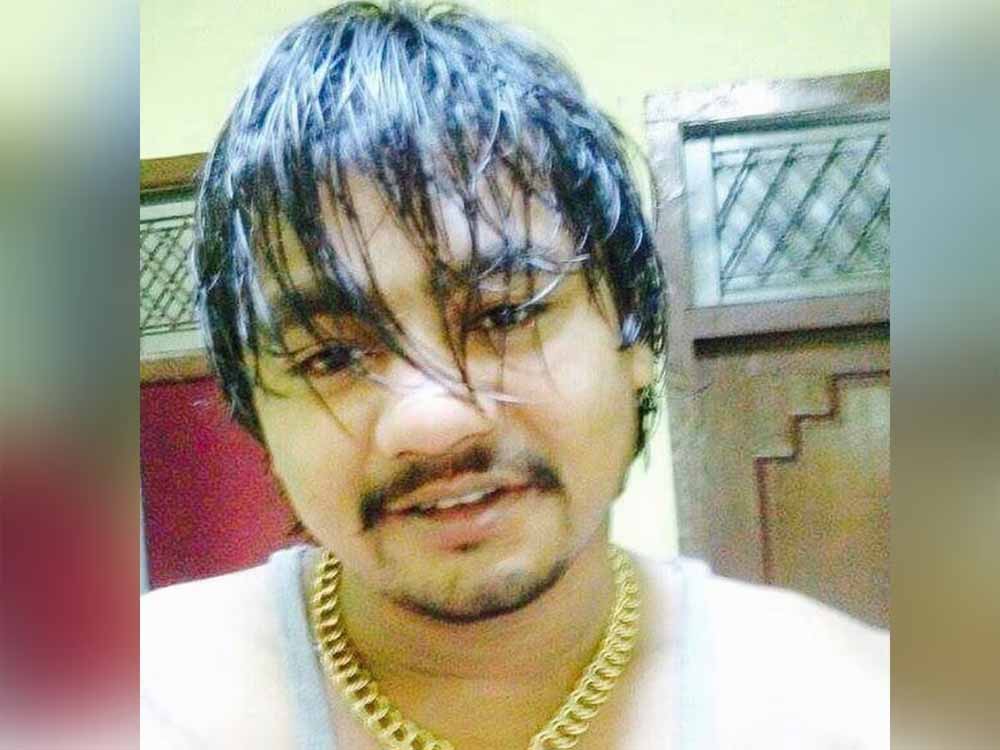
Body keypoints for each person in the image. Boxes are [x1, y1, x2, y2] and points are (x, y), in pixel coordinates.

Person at [140, 2, 888, 748]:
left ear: (633, 330)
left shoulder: (854, 709)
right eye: (331, 357)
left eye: (504, 315)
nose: (434, 421)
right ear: (259, 419)